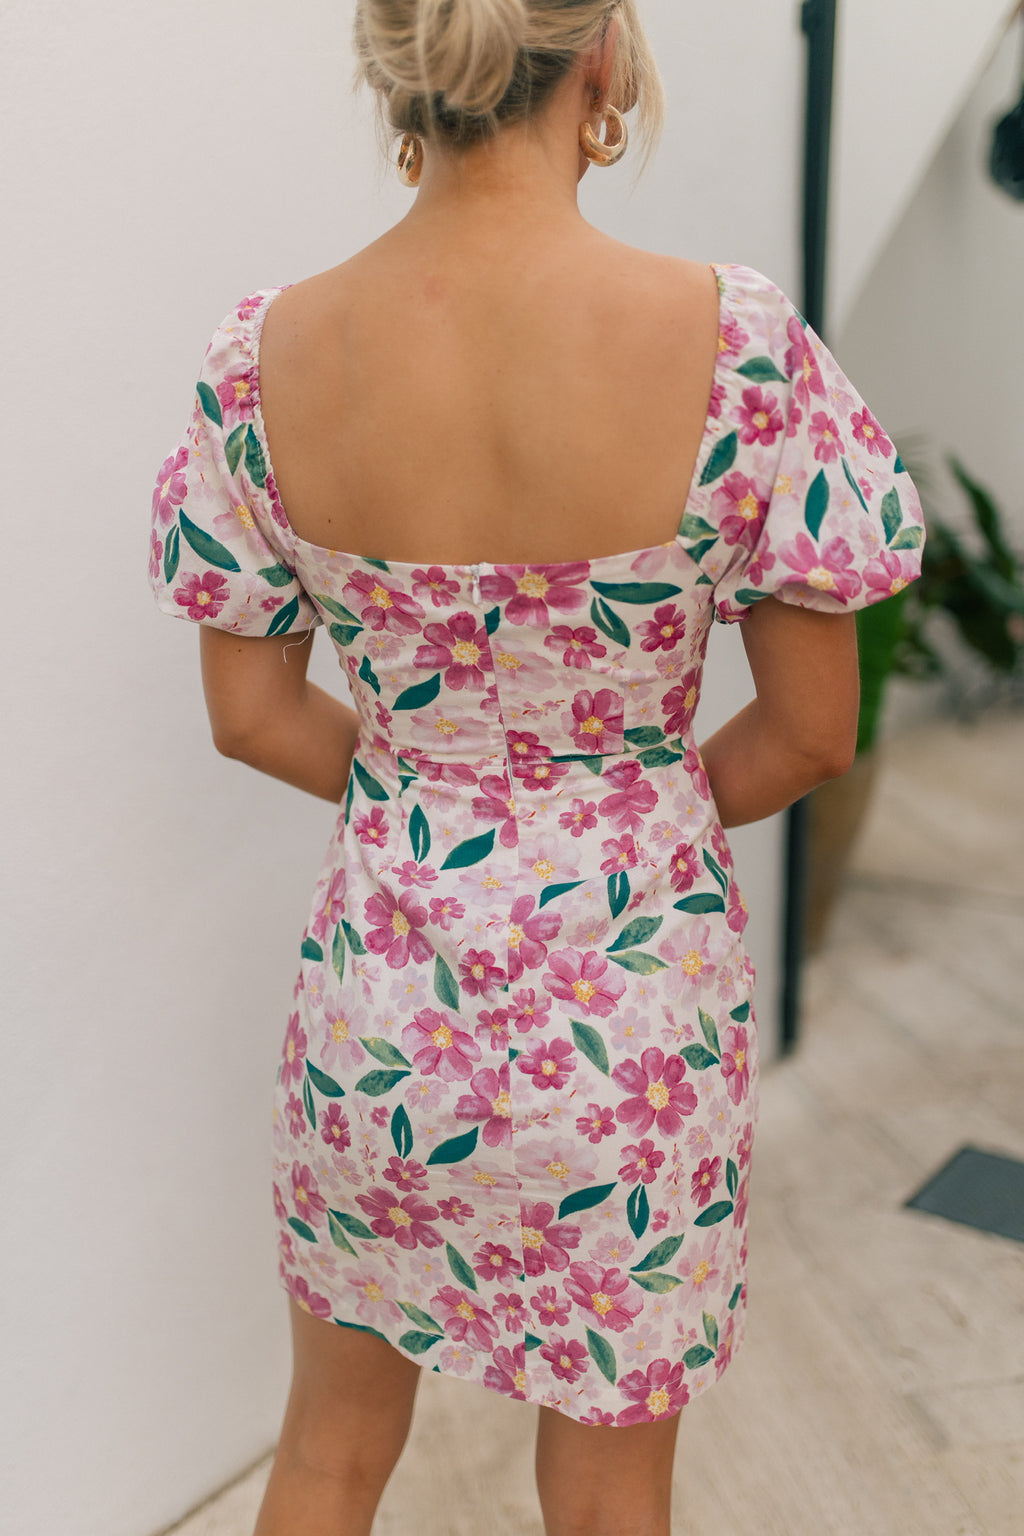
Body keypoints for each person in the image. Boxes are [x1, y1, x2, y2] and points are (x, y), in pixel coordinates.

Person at [147, 3, 925, 1533]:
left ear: (400, 70)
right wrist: (616, 815)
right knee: (609, 1485)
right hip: (634, 1015)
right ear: (602, 60)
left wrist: (440, 798)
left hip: (382, 1002)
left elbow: (252, 716)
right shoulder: (742, 346)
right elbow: (812, 731)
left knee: (329, 1450)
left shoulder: (262, 356)